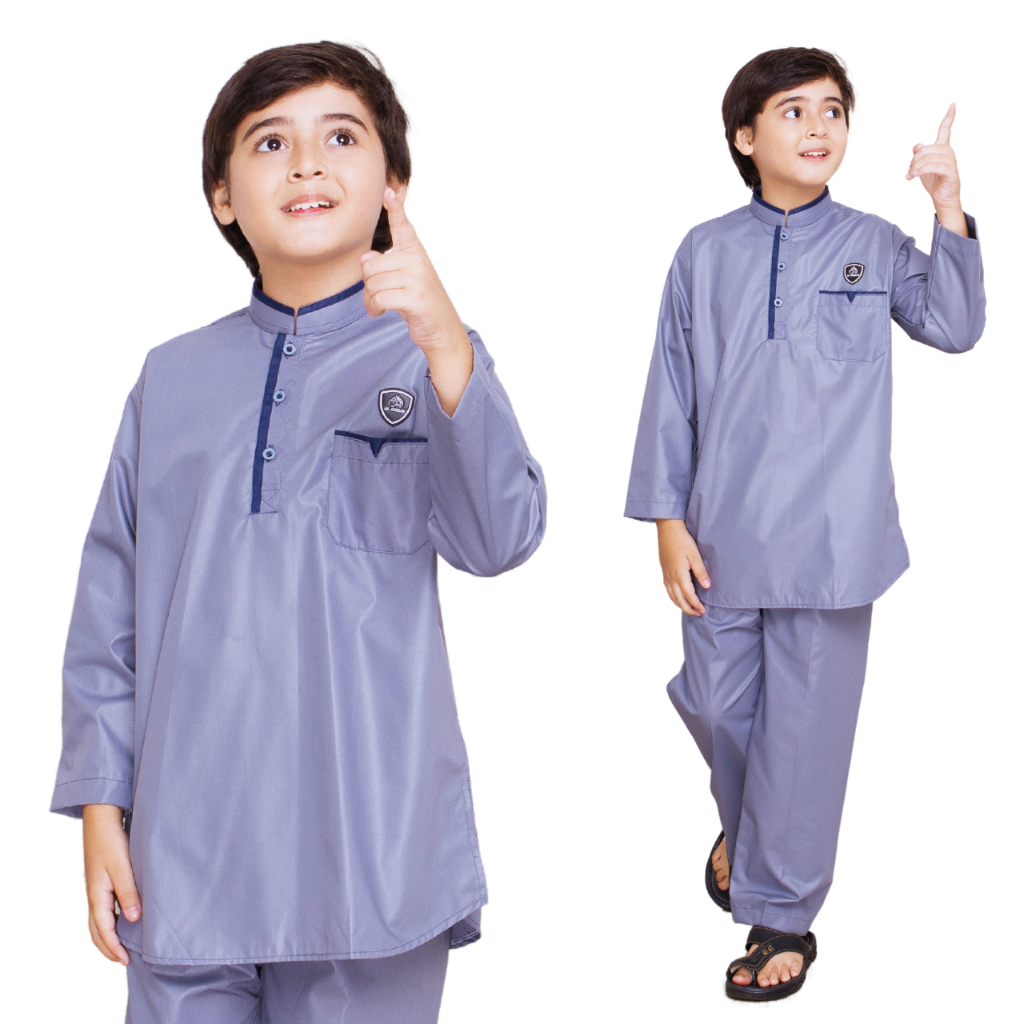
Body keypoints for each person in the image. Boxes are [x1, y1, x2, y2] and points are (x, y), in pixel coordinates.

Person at [49, 41, 546, 1024]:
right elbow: (110, 611)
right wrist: (101, 804)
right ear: (223, 197)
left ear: (393, 185)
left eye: (342, 138)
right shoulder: (170, 380)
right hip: (184, 859)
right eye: (270, 142)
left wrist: (445, 340)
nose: (308, 163)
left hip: (372, 859)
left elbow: (501, 538)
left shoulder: (433, 359)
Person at [624, 47, 984, 1001]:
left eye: (833, 110)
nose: (819, 126)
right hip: (721, 533)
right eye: (793, 111)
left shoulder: (874, 241)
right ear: (745, 136)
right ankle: (754, 830)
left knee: (807, 737)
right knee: (715, 703)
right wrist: (664, 517)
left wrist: (948, 209)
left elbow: (954, 325)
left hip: (835, 541)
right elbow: (670, 388)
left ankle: (781, 916)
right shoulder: (704, 252)